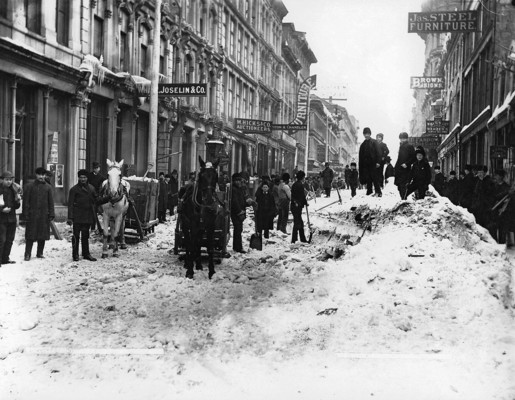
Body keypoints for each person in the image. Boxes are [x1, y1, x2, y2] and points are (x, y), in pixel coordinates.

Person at [22, 167, 55, 261]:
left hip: (44, 215)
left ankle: (40, 252)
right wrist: (26, 213)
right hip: (32, 214)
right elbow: (26, 201)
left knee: (42, 234)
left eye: (43, 174)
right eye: (39, 174)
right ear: (36, 175)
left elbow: (51, 202)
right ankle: (27, 254)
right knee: (30, 235)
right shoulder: (29, 186)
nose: (41, 176)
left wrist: (51, 214)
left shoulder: (48, 187)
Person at [67, 170, 98, 262]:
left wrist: (108, 198)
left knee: (85, 236)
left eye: (84, 177)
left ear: (87, 178)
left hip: (87, 216)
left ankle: (86, 253)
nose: (83, 179)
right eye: (81, 177)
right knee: (76, 236)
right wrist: (70, 217)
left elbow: (97, 200)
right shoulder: (74, 189)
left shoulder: (91, 188)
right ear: (78, 178)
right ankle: (75, 254)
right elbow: (70, 204)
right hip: (77, 217)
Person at [0, 171, 21, 267]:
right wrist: (2, 209)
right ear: (2, 180)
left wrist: (18, 200)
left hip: (12, 219)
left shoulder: (14, 190)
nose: (9, 182)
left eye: (10, 180)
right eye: (6, 180)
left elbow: (17, 206)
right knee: (2, 240)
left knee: (10, 239)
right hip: (2, 219)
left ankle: (5, 258)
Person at [230, 173, 254, 253]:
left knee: (239, 229)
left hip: (240, 211)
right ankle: (238, 248)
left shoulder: (240, 189)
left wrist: (247, 203)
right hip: (236, 212)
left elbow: (242, 200)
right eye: (236, 180)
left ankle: (237, 247)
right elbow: (234, 201)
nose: (238, 182)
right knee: (237, 229)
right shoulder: (233, 189)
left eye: (239, 180)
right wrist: (239, 211)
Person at [358, 127, 383, 196]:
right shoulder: (363, 145)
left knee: (375, 178)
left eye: (368, 134)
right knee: (368, 178)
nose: (366, 135)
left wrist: (378, 162)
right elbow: (361, 157)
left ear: (370, 134)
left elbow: (379, 152)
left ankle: (378, 192)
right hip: (366, 165)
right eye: (365, 134)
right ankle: (369, 192)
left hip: (374, 164)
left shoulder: (374, 142)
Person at [394, 132, 416, 200]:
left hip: (405, 170)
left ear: (406, 139)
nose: (402, 140)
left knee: (403, 186)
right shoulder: (401, 146)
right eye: (401, 139)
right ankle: (403, 198)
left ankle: (404, 199)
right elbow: (399, 158)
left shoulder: (409, 146)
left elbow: (414, 158)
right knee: (399, 186)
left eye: (403, 138)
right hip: (399, 169)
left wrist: (407, 164)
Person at [291, 170, 309, 243]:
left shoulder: (295, 184)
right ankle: (294, 239)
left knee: (299, 222)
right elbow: (302, 196)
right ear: (302, 177)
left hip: (294, 206)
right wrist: (305, 202)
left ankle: (302, 239)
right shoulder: (300, 185)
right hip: (297, 206)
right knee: (297, 223)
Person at [88, 161, 106, 232]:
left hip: (96, 196)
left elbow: (105, 182)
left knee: (94, 212)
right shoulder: (89, 176)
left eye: (98, 168)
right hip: (88, 195)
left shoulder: (101, 177)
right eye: (96, 168)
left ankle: (93, 227)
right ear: (94, 169)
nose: (97, 169)